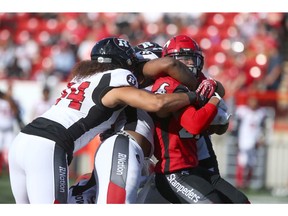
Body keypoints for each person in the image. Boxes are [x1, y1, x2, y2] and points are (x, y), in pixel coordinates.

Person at [7, 37, 202, 204]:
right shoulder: (118, 80)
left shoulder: (82, 78)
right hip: (49, 145)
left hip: (22, 141)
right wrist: (195, 95)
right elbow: (156, 102)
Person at [160, 34, 250, 203]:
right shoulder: (169, 84)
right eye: (184, 59)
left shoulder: (195, 79)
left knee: (240, 201)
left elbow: (218, 92)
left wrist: (214, 85)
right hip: (174, 169)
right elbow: (193, 124)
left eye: (192, 59)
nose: (190, 64)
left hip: (193, 161)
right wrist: (214, 100)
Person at [234, 96, 268, 189]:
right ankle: (239, 182)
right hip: (243, 141)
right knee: (242, 161)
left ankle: (247, 183)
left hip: (254, 141)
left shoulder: (260, 113)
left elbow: (263, 127)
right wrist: (236, 138)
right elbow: (237, 125)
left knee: (251, 162)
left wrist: (261, 138)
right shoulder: (243, 112)